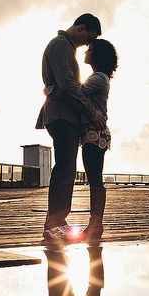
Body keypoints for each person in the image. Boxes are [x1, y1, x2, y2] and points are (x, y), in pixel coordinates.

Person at [36, 14, 106, 241]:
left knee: (66, 169)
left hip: (65, 115)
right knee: (64, 169)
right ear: (81, 27)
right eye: (89, 37)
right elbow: (67, 85)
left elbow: (67, 85)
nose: (88, 43)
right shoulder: (61, 46)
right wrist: (91, 111)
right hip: (62, 115)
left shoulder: (66, 48)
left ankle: (57, 221)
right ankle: (53, 223)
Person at [80, 39, 118, 241]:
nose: (86, 50)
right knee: (95, 179)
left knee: (95, 180)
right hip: (96, 133)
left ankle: (95, 224)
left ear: (97, 55)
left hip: (95, 133)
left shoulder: (98, 78)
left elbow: (77, 93)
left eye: (90, 49)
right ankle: (95, 223)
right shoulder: (100, 77)